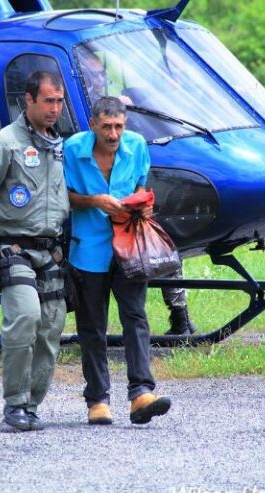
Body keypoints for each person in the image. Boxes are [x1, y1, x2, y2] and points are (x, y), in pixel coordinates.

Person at [0, 71, 69, 432]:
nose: (55, 108)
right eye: (48, 101)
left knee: (51, 328)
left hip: (51, 252)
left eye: (59, 101)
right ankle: (15, 403)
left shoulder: (61, 146)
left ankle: (32, 404)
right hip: (13, 248)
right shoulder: (5, 144)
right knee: (25, 319)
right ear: (29, 100)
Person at [64, 96, 171, 426]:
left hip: (130, 248)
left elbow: (142, 185)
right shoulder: (72, 149)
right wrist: (94, 200)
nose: (113, 134)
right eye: (107, 127)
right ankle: (97, 400)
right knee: (92, 327)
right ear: (92, 124)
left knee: (135, 317)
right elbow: (61, 196)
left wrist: (143, 204)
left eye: (119, 127)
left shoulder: (136, 145)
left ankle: (141, 393)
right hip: (88, 250)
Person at [80, 49, 195, 337]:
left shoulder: (122, 101)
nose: (97, 78)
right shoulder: (79, 101)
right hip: (94, 190)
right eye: (93, 73)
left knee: (161, 246)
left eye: (100, 73)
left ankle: (179, 313)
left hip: (128, 188)